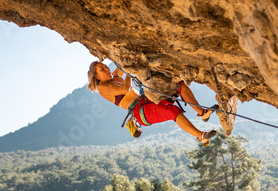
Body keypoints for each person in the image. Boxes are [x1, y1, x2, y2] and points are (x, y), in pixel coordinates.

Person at [87, 61, 218, 145]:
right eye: (102, 69)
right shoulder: (102, 88)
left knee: (178, 85)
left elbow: (121, 64)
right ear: (97, 76)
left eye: (105, 66)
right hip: (140, 111)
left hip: (146, 99)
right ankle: (201, 135)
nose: (106, 69)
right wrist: (128, 73)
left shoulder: (114, 76)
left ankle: (202, 113)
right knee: (172, 111)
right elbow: (124, 89)